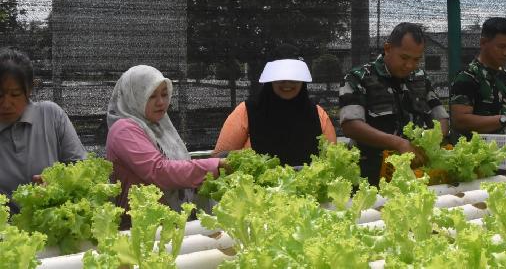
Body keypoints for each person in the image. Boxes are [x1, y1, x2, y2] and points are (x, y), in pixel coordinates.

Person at [106, 65, 227, 214]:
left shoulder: (158, 124)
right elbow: (159, 171)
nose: (161, 102)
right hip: (140, 223)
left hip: (169, 219)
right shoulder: (124, 130)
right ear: (134, 97)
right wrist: (215, 166)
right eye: (151, 96)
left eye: (164, 94)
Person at [339, 22, 449, 185]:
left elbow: (441, 117)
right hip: (369, 177)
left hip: (416, 174)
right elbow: (351, 125)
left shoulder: (420, 78)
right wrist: (398, 143)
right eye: (404, 57)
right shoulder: (359, 77)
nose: (409, 65)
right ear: (388, 48)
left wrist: (434, 141)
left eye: (416, 59)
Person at [213, 48, 336, 166]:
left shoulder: (317, 113)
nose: (287, 83)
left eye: (294, 78)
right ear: (270, 79)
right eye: (279, 78)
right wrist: (246, 160)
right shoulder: (246, 111)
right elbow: (219, 159)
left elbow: (332, 159)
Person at [0, 48, 86, 212]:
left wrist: (58, 183)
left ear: (29, 90)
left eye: (15, 94)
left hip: (54, 220)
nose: (6, 104)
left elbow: (82, 169)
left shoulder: (51, 116)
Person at [450, 17, 506, 139]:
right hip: (475, 149)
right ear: (483, 43)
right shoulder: (468, 76)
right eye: (501, 46)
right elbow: (459, 121)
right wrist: (504, 120)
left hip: (505, 147)